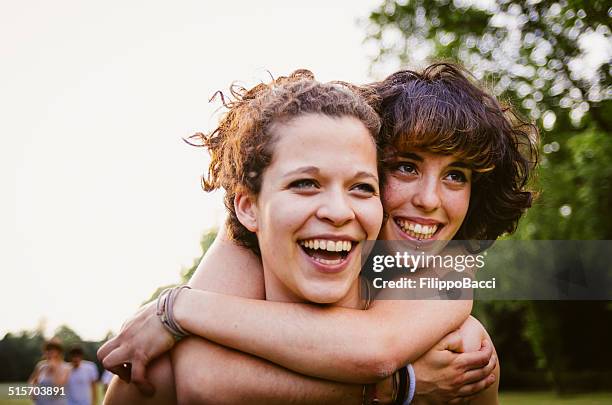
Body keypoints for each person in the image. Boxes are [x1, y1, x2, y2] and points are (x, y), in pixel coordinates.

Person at [99, 65, 537, 404]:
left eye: (457, 176)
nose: (428, 199)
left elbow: (375, 347)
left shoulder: (449, 291)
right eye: (406, 166)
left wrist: (176, 307)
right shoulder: (252, 236)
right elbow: (204, 380)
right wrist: (399, 387)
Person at [28, 339, 71, 405]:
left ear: (59, 352)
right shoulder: (41, 365)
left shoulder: (66, 367)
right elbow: (33, 380)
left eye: (52, 350)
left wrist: (55, 369)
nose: (49, 352)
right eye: (47, 350)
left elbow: (59, 389)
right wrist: (32, 390)